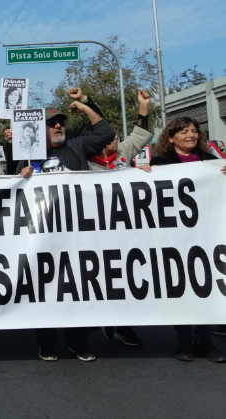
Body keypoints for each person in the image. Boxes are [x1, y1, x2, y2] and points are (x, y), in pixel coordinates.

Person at [16, 101, 115, 362]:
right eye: (51, 123)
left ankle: (78, 342)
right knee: (45, 289)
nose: (59, 125)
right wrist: (21, 175)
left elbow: (106, 134)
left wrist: (84, 107)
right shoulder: (27, 156)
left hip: (77, 234)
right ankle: (46, 343)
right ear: (39, 129)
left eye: (61, 122)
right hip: (41, 236)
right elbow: (14, 197)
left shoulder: (76, 145)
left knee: (76, 287)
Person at [149, 117, 226, 363]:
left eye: (194, 131)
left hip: (208, 235)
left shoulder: (212, 162)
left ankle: (204, 341)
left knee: (207, 287)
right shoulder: (159, 164)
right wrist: (142, 174)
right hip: (176, 237)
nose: (191, 135)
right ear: (171, 137)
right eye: (184, 131)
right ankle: (184, 340)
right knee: (182, 288)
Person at [89, 91, 153, 347]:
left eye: (116, 136)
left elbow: (139, 135)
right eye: (111, 137)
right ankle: (103, 316)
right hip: (97, 231)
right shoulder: (84, 163)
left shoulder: (124, 153)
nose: (116, 139)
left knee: (127, 276)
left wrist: (144, 107)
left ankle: (123, 325)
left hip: (127, 229)